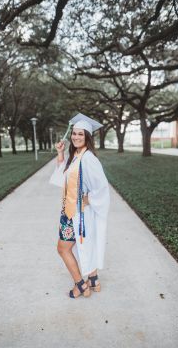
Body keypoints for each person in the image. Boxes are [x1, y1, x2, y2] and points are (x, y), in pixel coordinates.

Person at [49, 114, 111, 299]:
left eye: (80, 134)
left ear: (87, 137)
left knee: (63, 248)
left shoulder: (88, 158)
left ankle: (81, 285)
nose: (75, 137)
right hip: (70, 210)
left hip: (77, 212)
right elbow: (64, 176)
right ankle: (93, 280)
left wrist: (88, 199)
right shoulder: (77, 154)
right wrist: (60, 153)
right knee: (85, 244)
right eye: (74, 133)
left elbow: (101, 187)